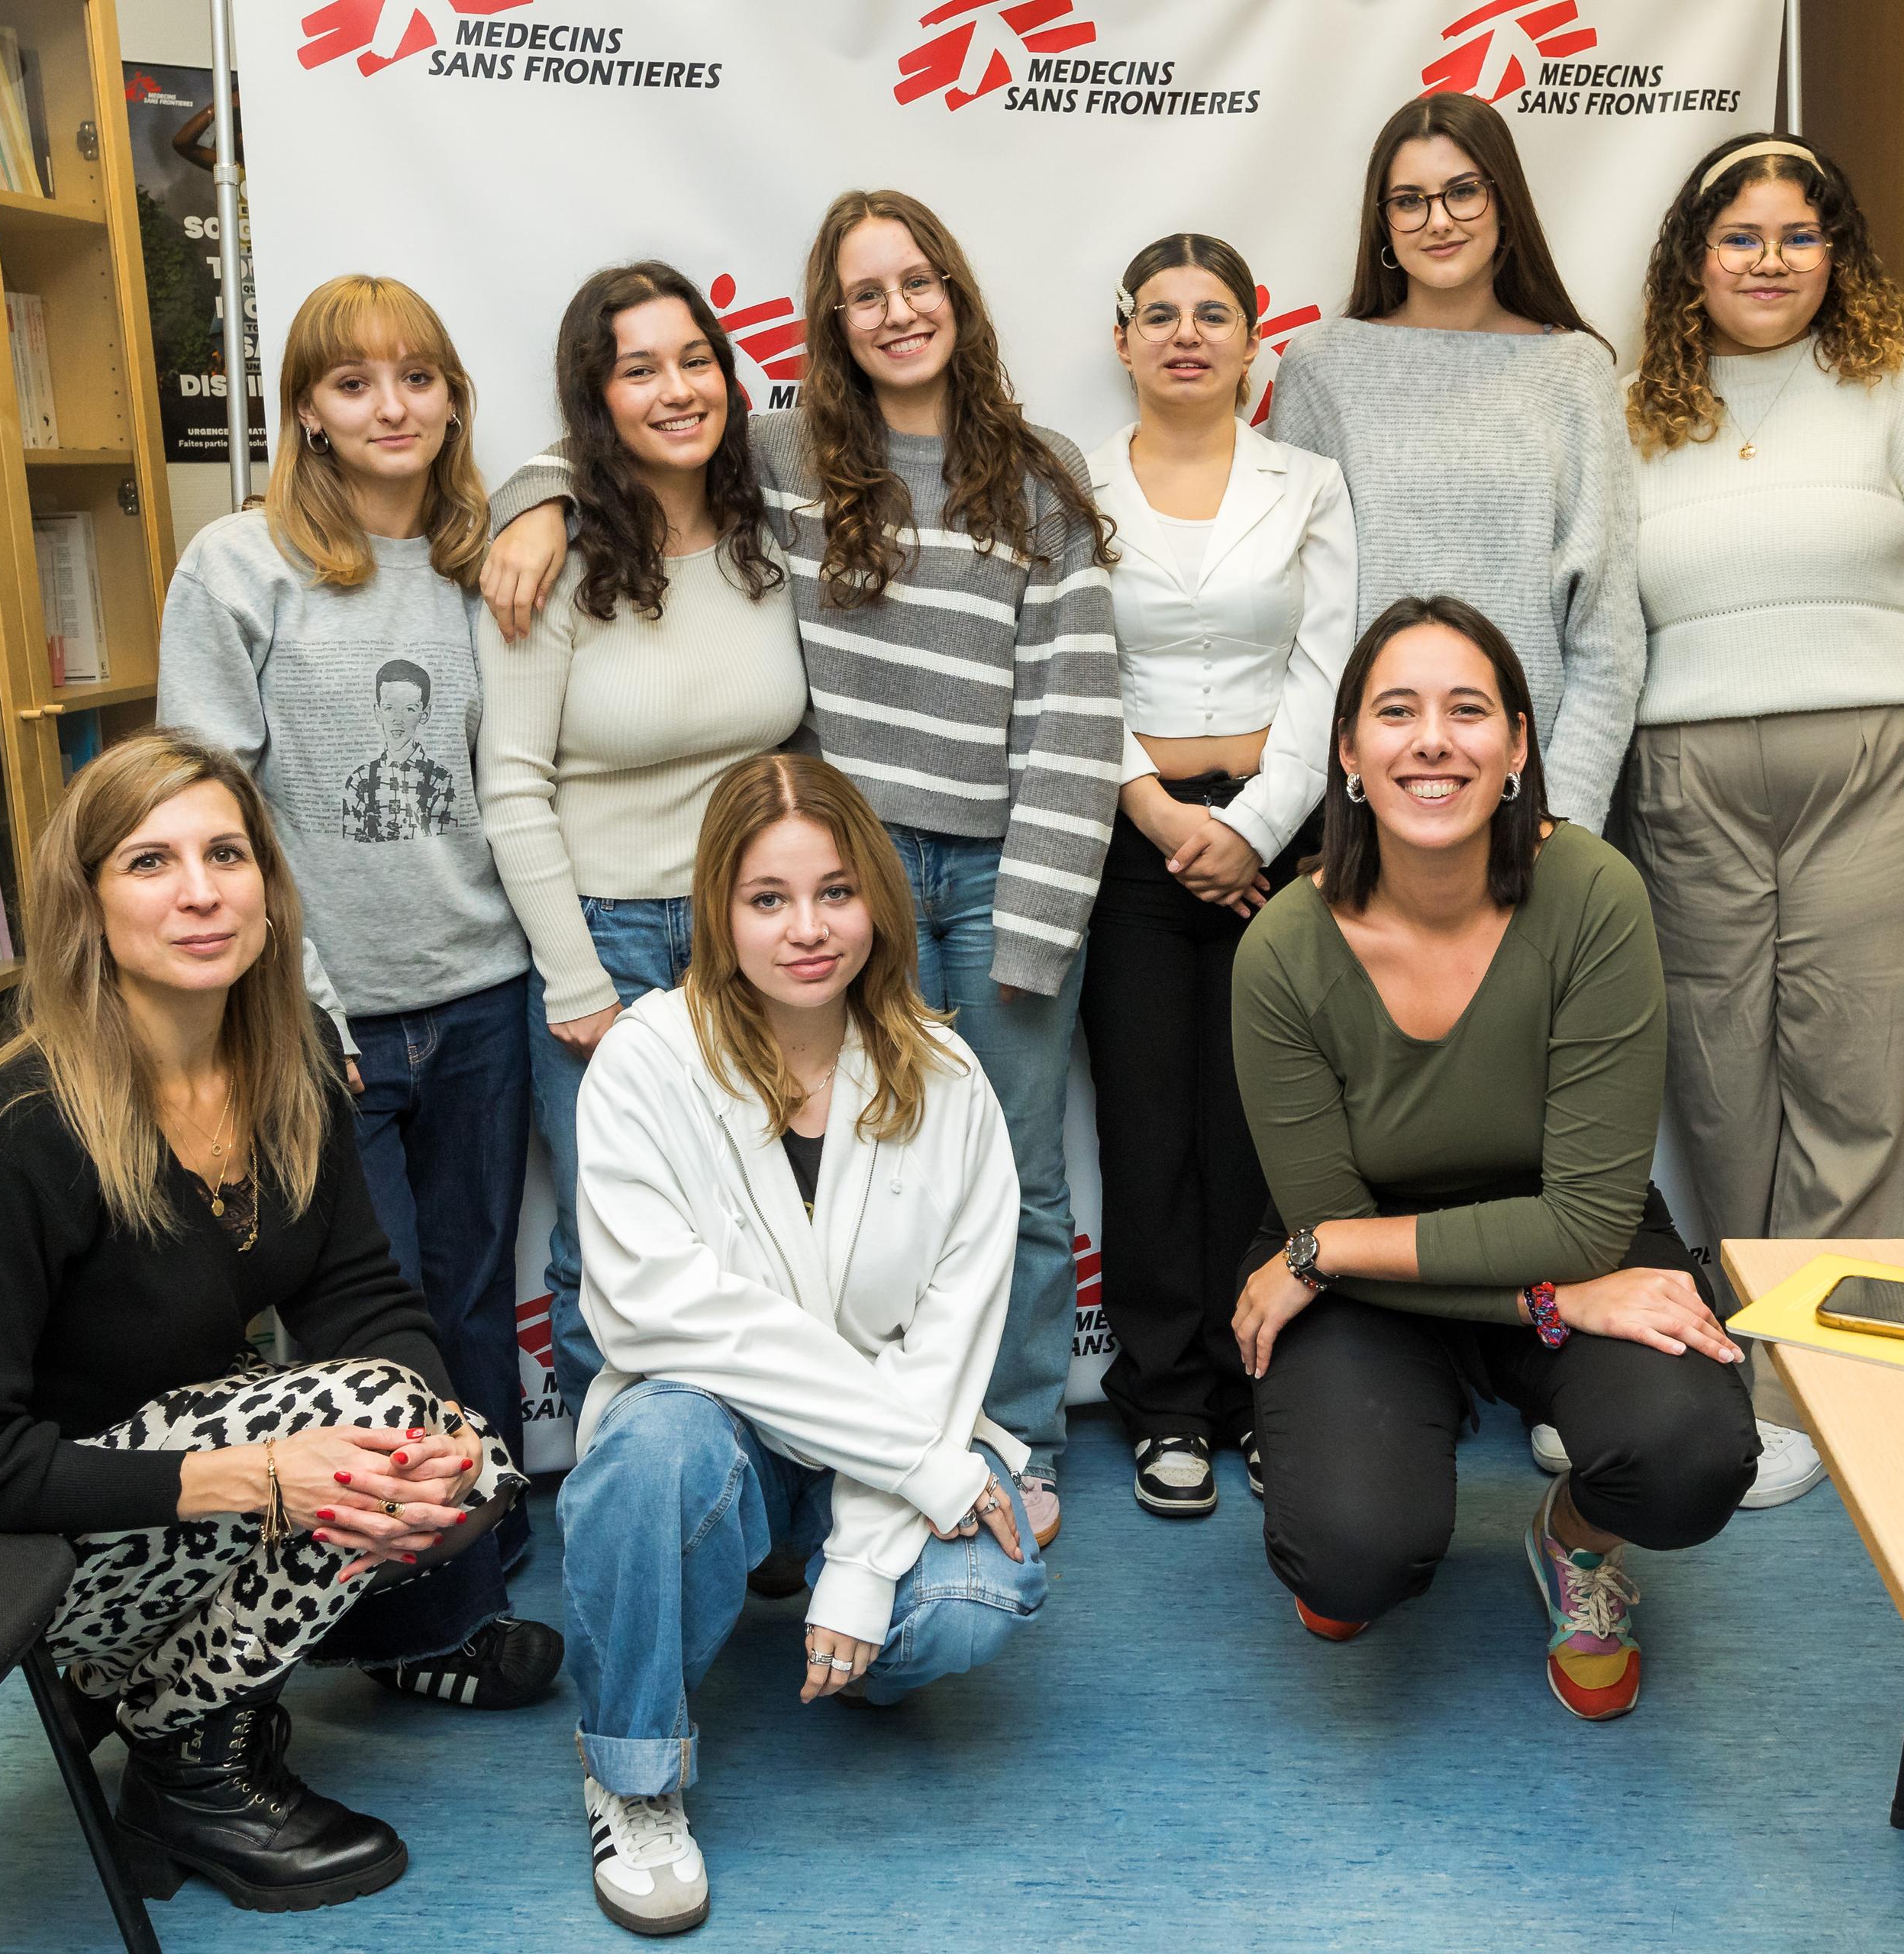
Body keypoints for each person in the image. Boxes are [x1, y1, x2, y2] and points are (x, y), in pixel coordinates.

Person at [481, 192, 1121, 1545]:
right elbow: (617, 435)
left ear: (958, 291)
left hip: (1006, 870)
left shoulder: (1045, 471)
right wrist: (532, 500)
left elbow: (1078, 711)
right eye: (863, 291)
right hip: (848, 886)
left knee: (1017, 1172)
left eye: (917, 281)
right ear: (829, 322)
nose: (896, 311)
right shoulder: (785, 455)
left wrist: (1039, 926)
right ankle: (780, 1471)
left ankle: (1009, 1444)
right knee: (827, 1186)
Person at [0, 730, 534, 1912]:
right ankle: (183, 1758)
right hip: (35, 1554)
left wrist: (436, 1437)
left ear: (271, 895)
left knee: (452, 1442)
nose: (198, 891)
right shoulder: (16, 1133)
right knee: (372, 1423)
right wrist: (253, 1479)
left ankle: (179, 1716)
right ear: (87, 910)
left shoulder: (291, 1080)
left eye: (226, 853)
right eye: (149, 862)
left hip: (181, 1500)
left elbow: (367, 1302)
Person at [1231, 596, 1758, 1720]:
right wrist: (1563, 1299)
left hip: (1542, 1237)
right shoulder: (1282, 945)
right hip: (1382, 1279)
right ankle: (1374, 1503)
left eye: (1468, 710)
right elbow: (1328, 1213)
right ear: (1349, 751)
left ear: (1518, 746)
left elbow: (1579, 1220)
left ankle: (1574, 1542)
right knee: (1352, 1557)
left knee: (1691, 1454)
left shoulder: (1596, 897)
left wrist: (1319, 1254)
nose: (1433, 739)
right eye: (1397, 712)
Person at [557, 754, 1048, 1935]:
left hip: (877, 1448)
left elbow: (948, 1350)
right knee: (657, 1446)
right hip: (713, 1425)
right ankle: (633, 1773)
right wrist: (935, 1473)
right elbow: (666, 1316)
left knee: (981, 1593)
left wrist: (867, 1565)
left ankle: (842, 1633)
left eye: (836, 892)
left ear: (878, 899)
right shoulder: (646, 1060)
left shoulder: (950, 1080)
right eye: (767, 899)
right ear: (717, 914)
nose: (807, 929)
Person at [158, 273, 557, 1705]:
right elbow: (215, 805)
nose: (391, 406)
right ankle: (406, 1632)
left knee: (467, 1293)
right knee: (366, 1332)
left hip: (486, 991)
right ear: (307, 415)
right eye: (352, 383)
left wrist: (549, 501)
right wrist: (303, 1000)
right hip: (325, 1017)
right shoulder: (237, 566)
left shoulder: (487, 557)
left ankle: (476, 1567)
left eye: (419, 377)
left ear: (453, 396)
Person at [1620, 134, 1904, 1506]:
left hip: (1883, 775)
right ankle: (1739, 1385)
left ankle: (1834, 1396)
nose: (1771, 261)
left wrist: (1884, 689)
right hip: (1685, 784)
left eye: (1801, 236)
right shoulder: (1631, 417)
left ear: (1837, 255)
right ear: (1693, 257)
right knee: (1723, 1084)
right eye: (1741, 237)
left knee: (1862, 1083)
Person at [476, 260, 804, 1413]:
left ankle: (756, 1473)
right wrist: (574, 979)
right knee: (613, 1235)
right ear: (595, 398)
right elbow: (511, 787)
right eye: (639, 369)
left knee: (761, 1215)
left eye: (696, 359)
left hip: (750, 932)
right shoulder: (548, 559)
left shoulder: (773, 531)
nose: (678, 389)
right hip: (603, 936)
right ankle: (621, 1491)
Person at [1079, 232, 1354, 1517]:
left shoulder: (1308, 481)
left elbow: (1330, 668)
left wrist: (1254, 824)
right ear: (1122, 336)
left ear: (1255, 341)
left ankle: (1264, 1390)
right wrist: (1165, 816)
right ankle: (1168, 1403)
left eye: (1214, 315)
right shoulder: (1071, 482)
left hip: (1282, 833)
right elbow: (1069, 666)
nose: (1186, 335)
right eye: (1159, 314)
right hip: (1127, 835)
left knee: (1265, 1127)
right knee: (1146, 1130)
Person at [1266, 90, 1643, 836]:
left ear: (1506, 205)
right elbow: (1293, 615)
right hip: (1358, 793)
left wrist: (1564, 822)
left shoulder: (1574, 371)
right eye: (1409, 200)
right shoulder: (1320, 368)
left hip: (1524, 800)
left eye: (1463, 191)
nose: (1438, 220)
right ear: (1384, 225)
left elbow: (1605, 635)